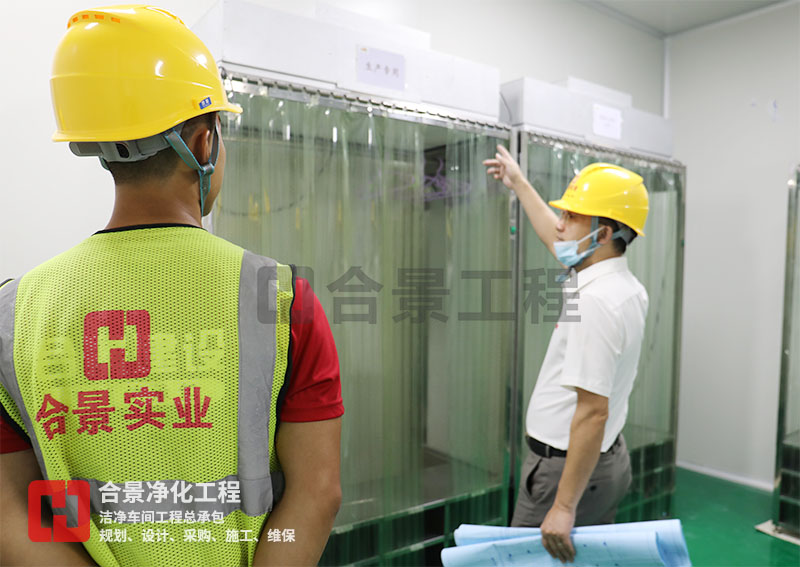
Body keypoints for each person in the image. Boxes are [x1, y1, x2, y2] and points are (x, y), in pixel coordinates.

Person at [0, 5, 343, 566]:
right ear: (204, 142)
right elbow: (317, 494)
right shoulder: (281, 300)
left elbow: (11, 513)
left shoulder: (14, 313)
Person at [484, 145, 649, 564]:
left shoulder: (596, 302)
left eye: (572, 216)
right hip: (603, 462)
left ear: (603, 234)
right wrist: (519, 183)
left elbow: (593, 412)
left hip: (565, 473)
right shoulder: (621, 285)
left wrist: (562, 506)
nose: (560, 224)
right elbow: (556, 239)